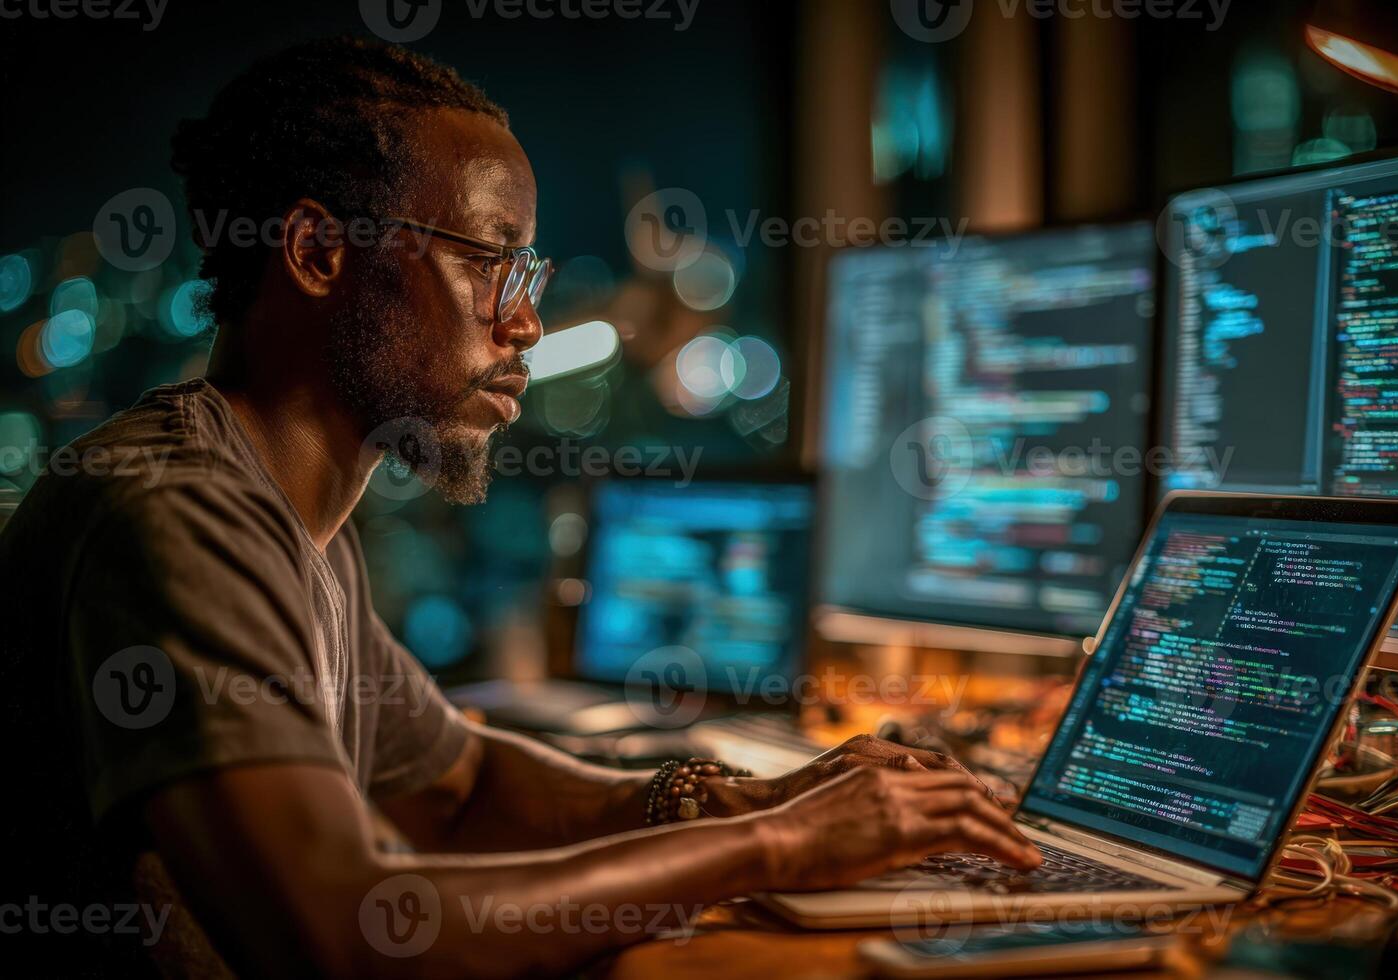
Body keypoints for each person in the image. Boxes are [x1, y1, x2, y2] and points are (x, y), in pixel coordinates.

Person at [0, 36, 1040, 977]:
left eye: (527, 271)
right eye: (492, 263)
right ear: (319, 253)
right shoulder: (175, 512)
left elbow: (456, 787)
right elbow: (351, 926)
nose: (530, 322)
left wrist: (745, 794)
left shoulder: (293, 521)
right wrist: (777, 847)